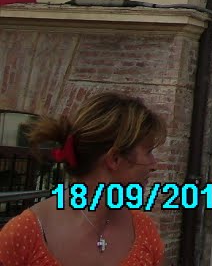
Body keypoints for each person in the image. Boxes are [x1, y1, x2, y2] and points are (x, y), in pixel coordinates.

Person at [0, 92, 167, 266]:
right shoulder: (25, 234)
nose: (154, 164)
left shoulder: (143, 230)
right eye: (148, 152)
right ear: (114, 159)